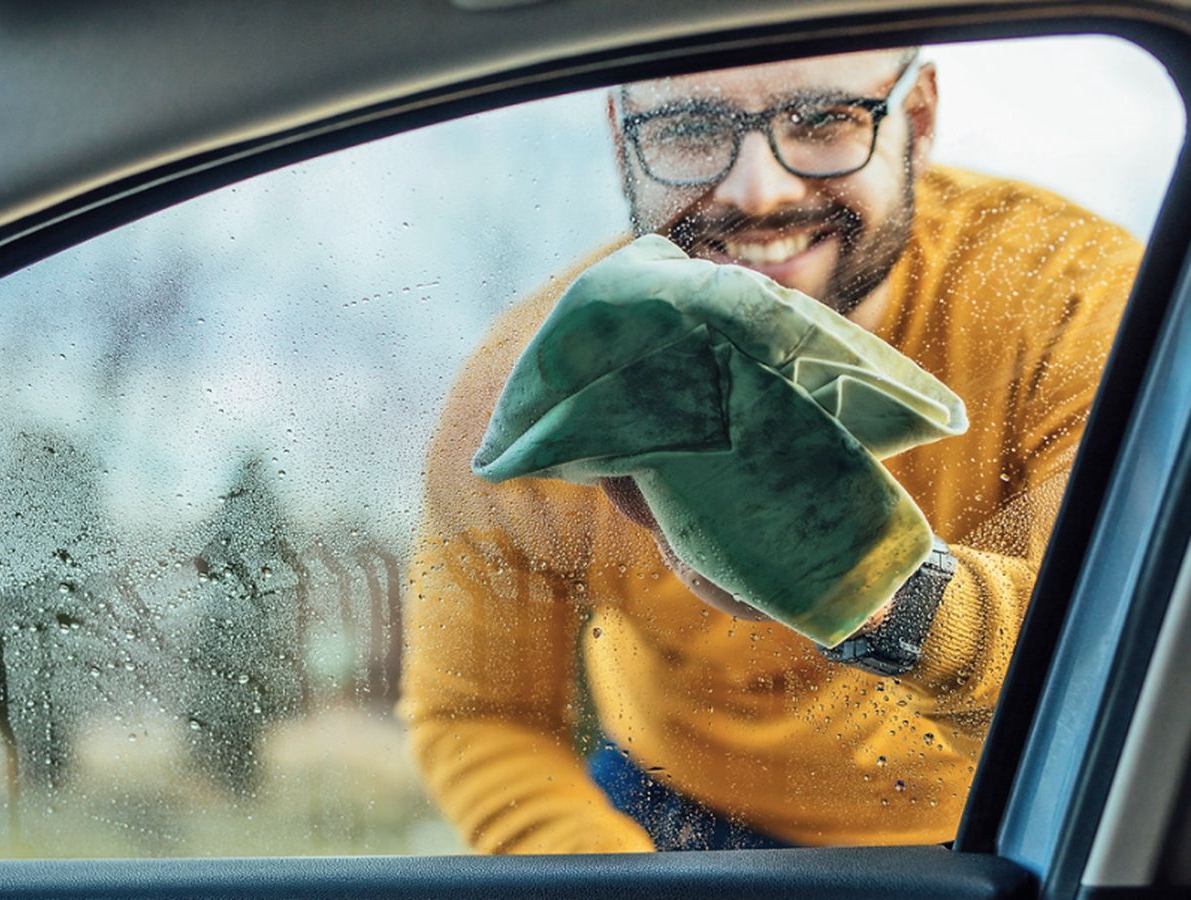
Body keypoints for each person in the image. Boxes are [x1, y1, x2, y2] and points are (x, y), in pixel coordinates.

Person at [400, 47, 1142, 853]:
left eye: (824, 120)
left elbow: (1121, 679)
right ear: (622, 136)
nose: (760, 193)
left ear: (917, 119)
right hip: (665, 805)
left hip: (1003, 807)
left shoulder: (1081, 306)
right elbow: (480, 715)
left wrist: (884, 593)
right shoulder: (543, 393)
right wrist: (608, 878)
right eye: (689, 128)